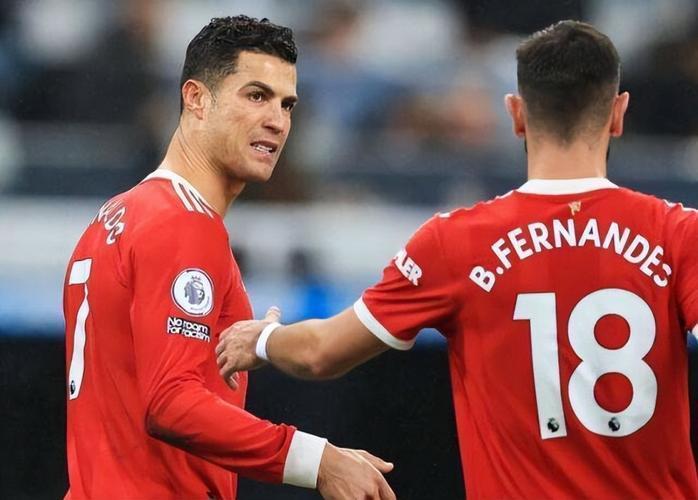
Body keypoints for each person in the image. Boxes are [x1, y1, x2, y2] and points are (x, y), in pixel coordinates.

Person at [216, 20, 698, 498]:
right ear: (618, 113)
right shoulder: (679, 234)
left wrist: (263, 341)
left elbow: (321, 353)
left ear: (516, 114)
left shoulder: (456, 243)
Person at [62, 15, 395, 500]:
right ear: (196, 98)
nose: (277, 121)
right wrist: (318, 461)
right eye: (256, 96)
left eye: (287, 104)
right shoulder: (183, 224)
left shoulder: (113, 217)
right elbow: (170, 402)